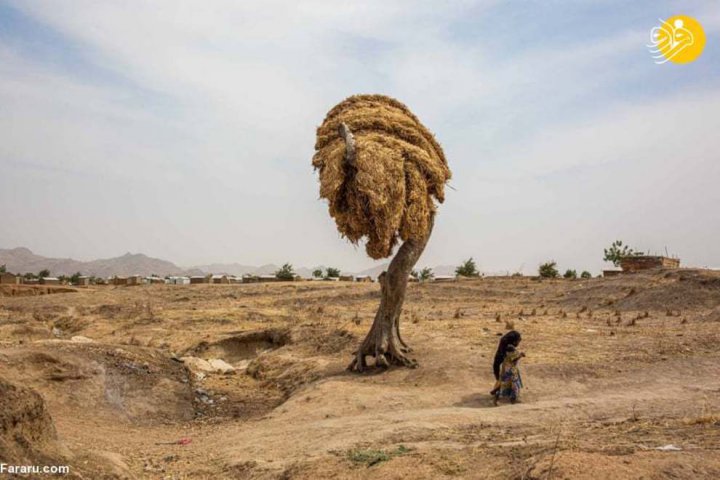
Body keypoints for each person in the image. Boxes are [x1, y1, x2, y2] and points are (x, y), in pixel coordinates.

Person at [490, 330, 522, 395]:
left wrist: (497, 378)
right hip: (511, 369)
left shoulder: (504, 344)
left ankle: (498, 385)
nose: (518, 344)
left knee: (501, 377)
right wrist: (520, 355)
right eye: (518, 341)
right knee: (513, 382)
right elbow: (514, 359)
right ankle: (513, 397)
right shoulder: (511, 349)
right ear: (514, 341)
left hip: (504, 366)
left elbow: (496, 365)